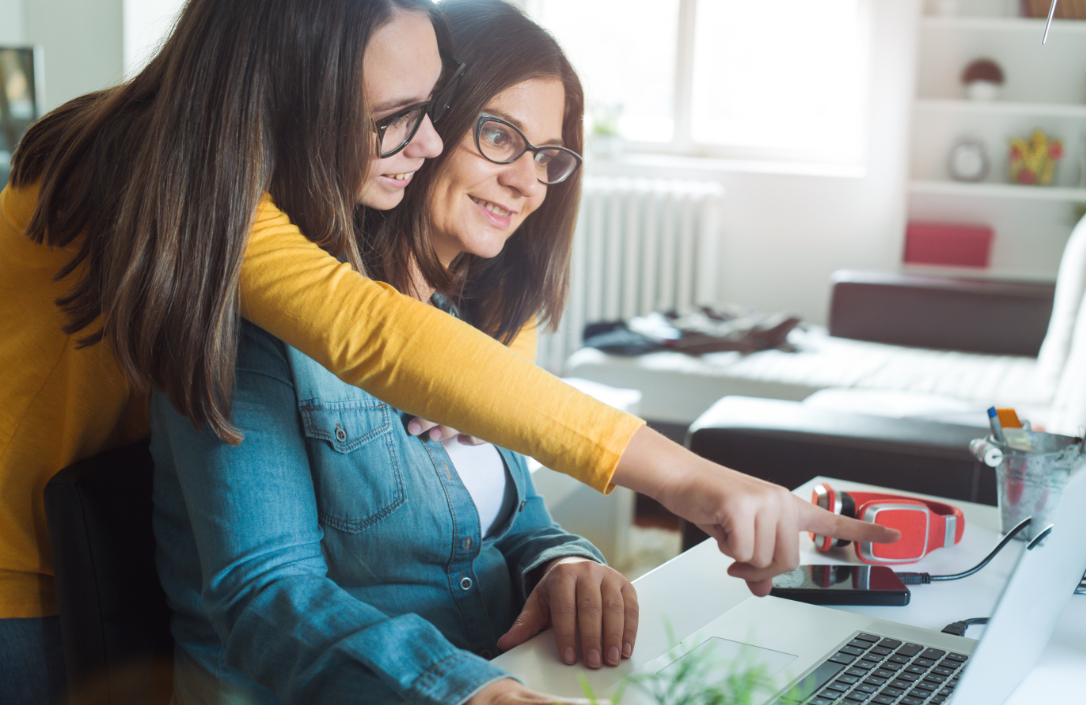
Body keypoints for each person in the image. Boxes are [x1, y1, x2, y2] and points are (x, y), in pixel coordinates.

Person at [0, 0, 897, 699]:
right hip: (15, 554)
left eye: (548, 156)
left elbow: (503, 499)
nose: (425, 142)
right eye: (411, 117)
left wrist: (564, 559)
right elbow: (367, 339)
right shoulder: (199, 201)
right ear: (303, 98)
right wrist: (697, 479)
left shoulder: (453, 299)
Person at [151, 4, 633, 703]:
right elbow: (268, 596)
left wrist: (562, 561)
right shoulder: (264, 315)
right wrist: (469, 691)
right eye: (499, 135)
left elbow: (514, 520)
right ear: (421, 119)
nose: (528, 182)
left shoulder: (464, 316)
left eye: (547, 157)